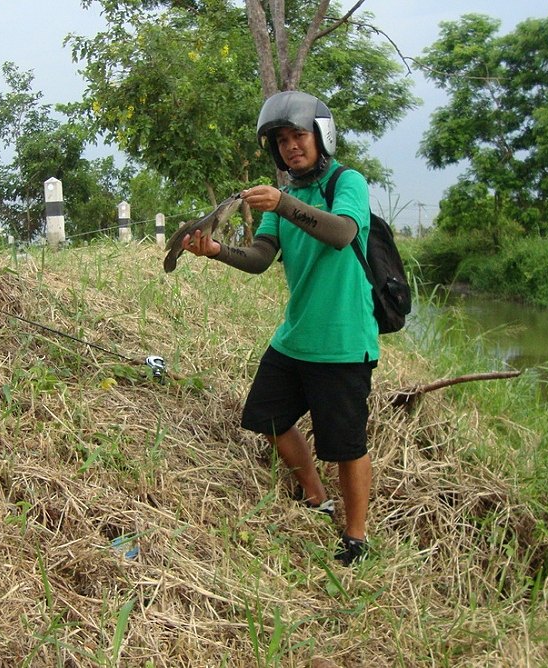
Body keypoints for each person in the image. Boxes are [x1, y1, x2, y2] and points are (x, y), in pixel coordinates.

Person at [179, 90, 378, 565]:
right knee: (264, 416)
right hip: (295, 336)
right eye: (282, 141)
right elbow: (261, 257)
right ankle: (313, 493)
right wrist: (217, 252)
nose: (291, 147)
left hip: (343, 341)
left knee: (346, 445)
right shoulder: (283, 200)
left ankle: (356, 536)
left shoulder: (347, 182)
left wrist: (284, 203)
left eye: (299, 136)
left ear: (321, 136)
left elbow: (342, 233)